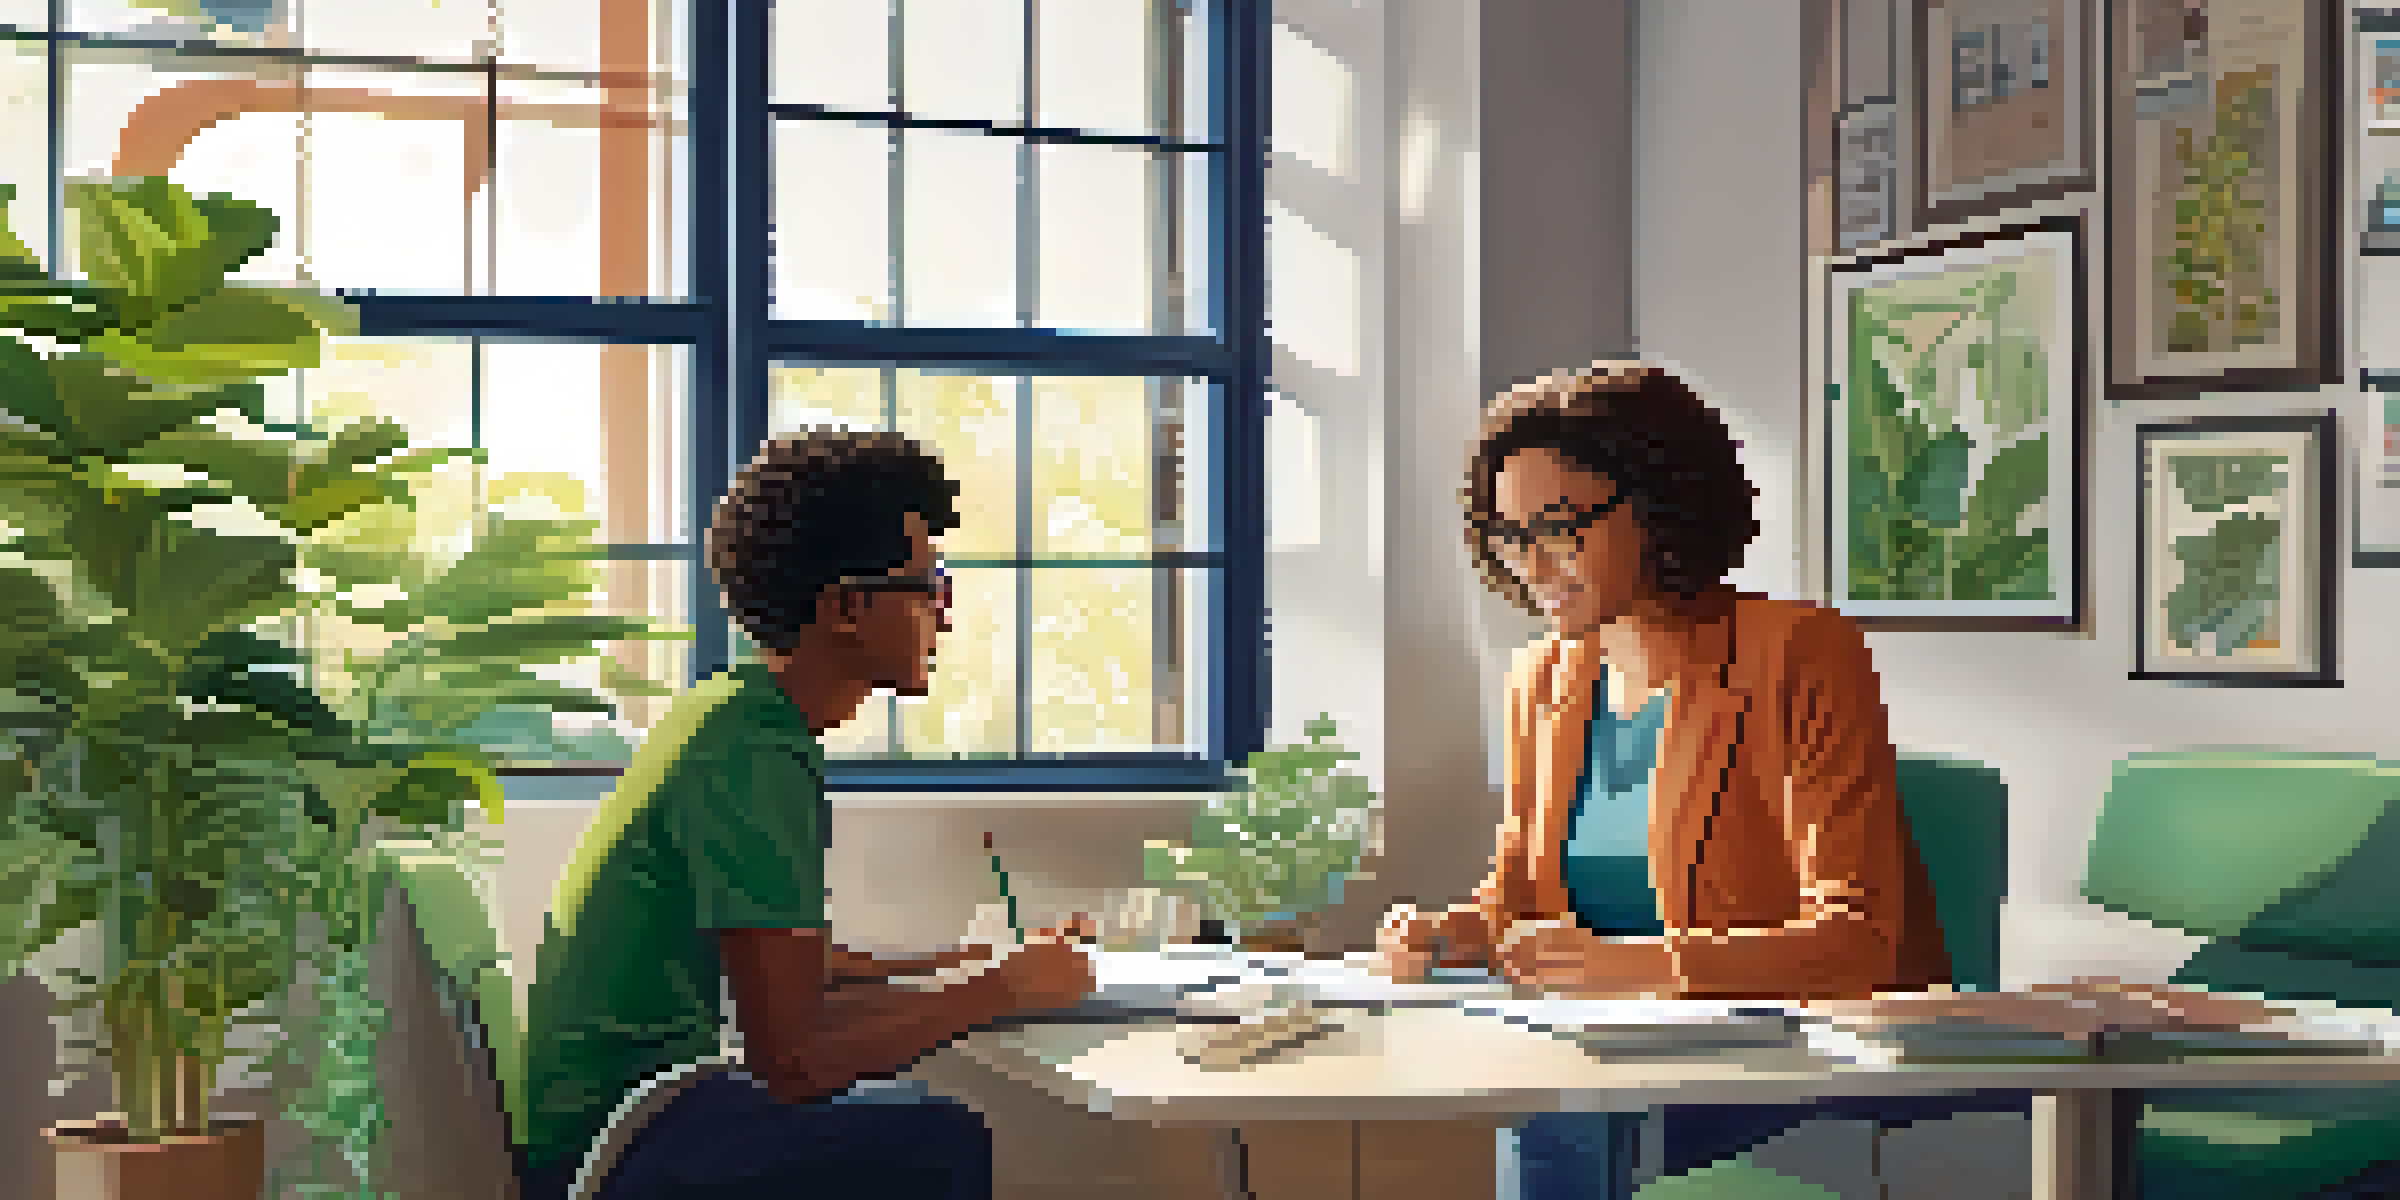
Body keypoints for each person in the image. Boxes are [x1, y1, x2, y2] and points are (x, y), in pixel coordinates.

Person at [1374, 361, 1985, 1195]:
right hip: (1607, 1062)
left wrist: (1633, 967)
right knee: (1549, 1106)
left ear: (1659, 507)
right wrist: (1449, 937)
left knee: (1571, 1121)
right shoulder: (1542, 683)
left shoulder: (1797, 652)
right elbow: (1522, 901)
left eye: (1558, 527)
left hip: (1788, 1067)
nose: (1532, 565)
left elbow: (1859, 942)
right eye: (1509, 535)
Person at [515, 430, 1096, 1200]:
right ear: (849, 607)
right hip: (622, 1147)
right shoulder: (754, 753)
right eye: (929, 585)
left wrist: (964, 968)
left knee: (922, 1123)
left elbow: (793, 976)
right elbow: (791, 1060)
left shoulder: (731, 717)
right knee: (937, 1136)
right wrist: (1003, 992)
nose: (944, 615)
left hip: (627, 1119)